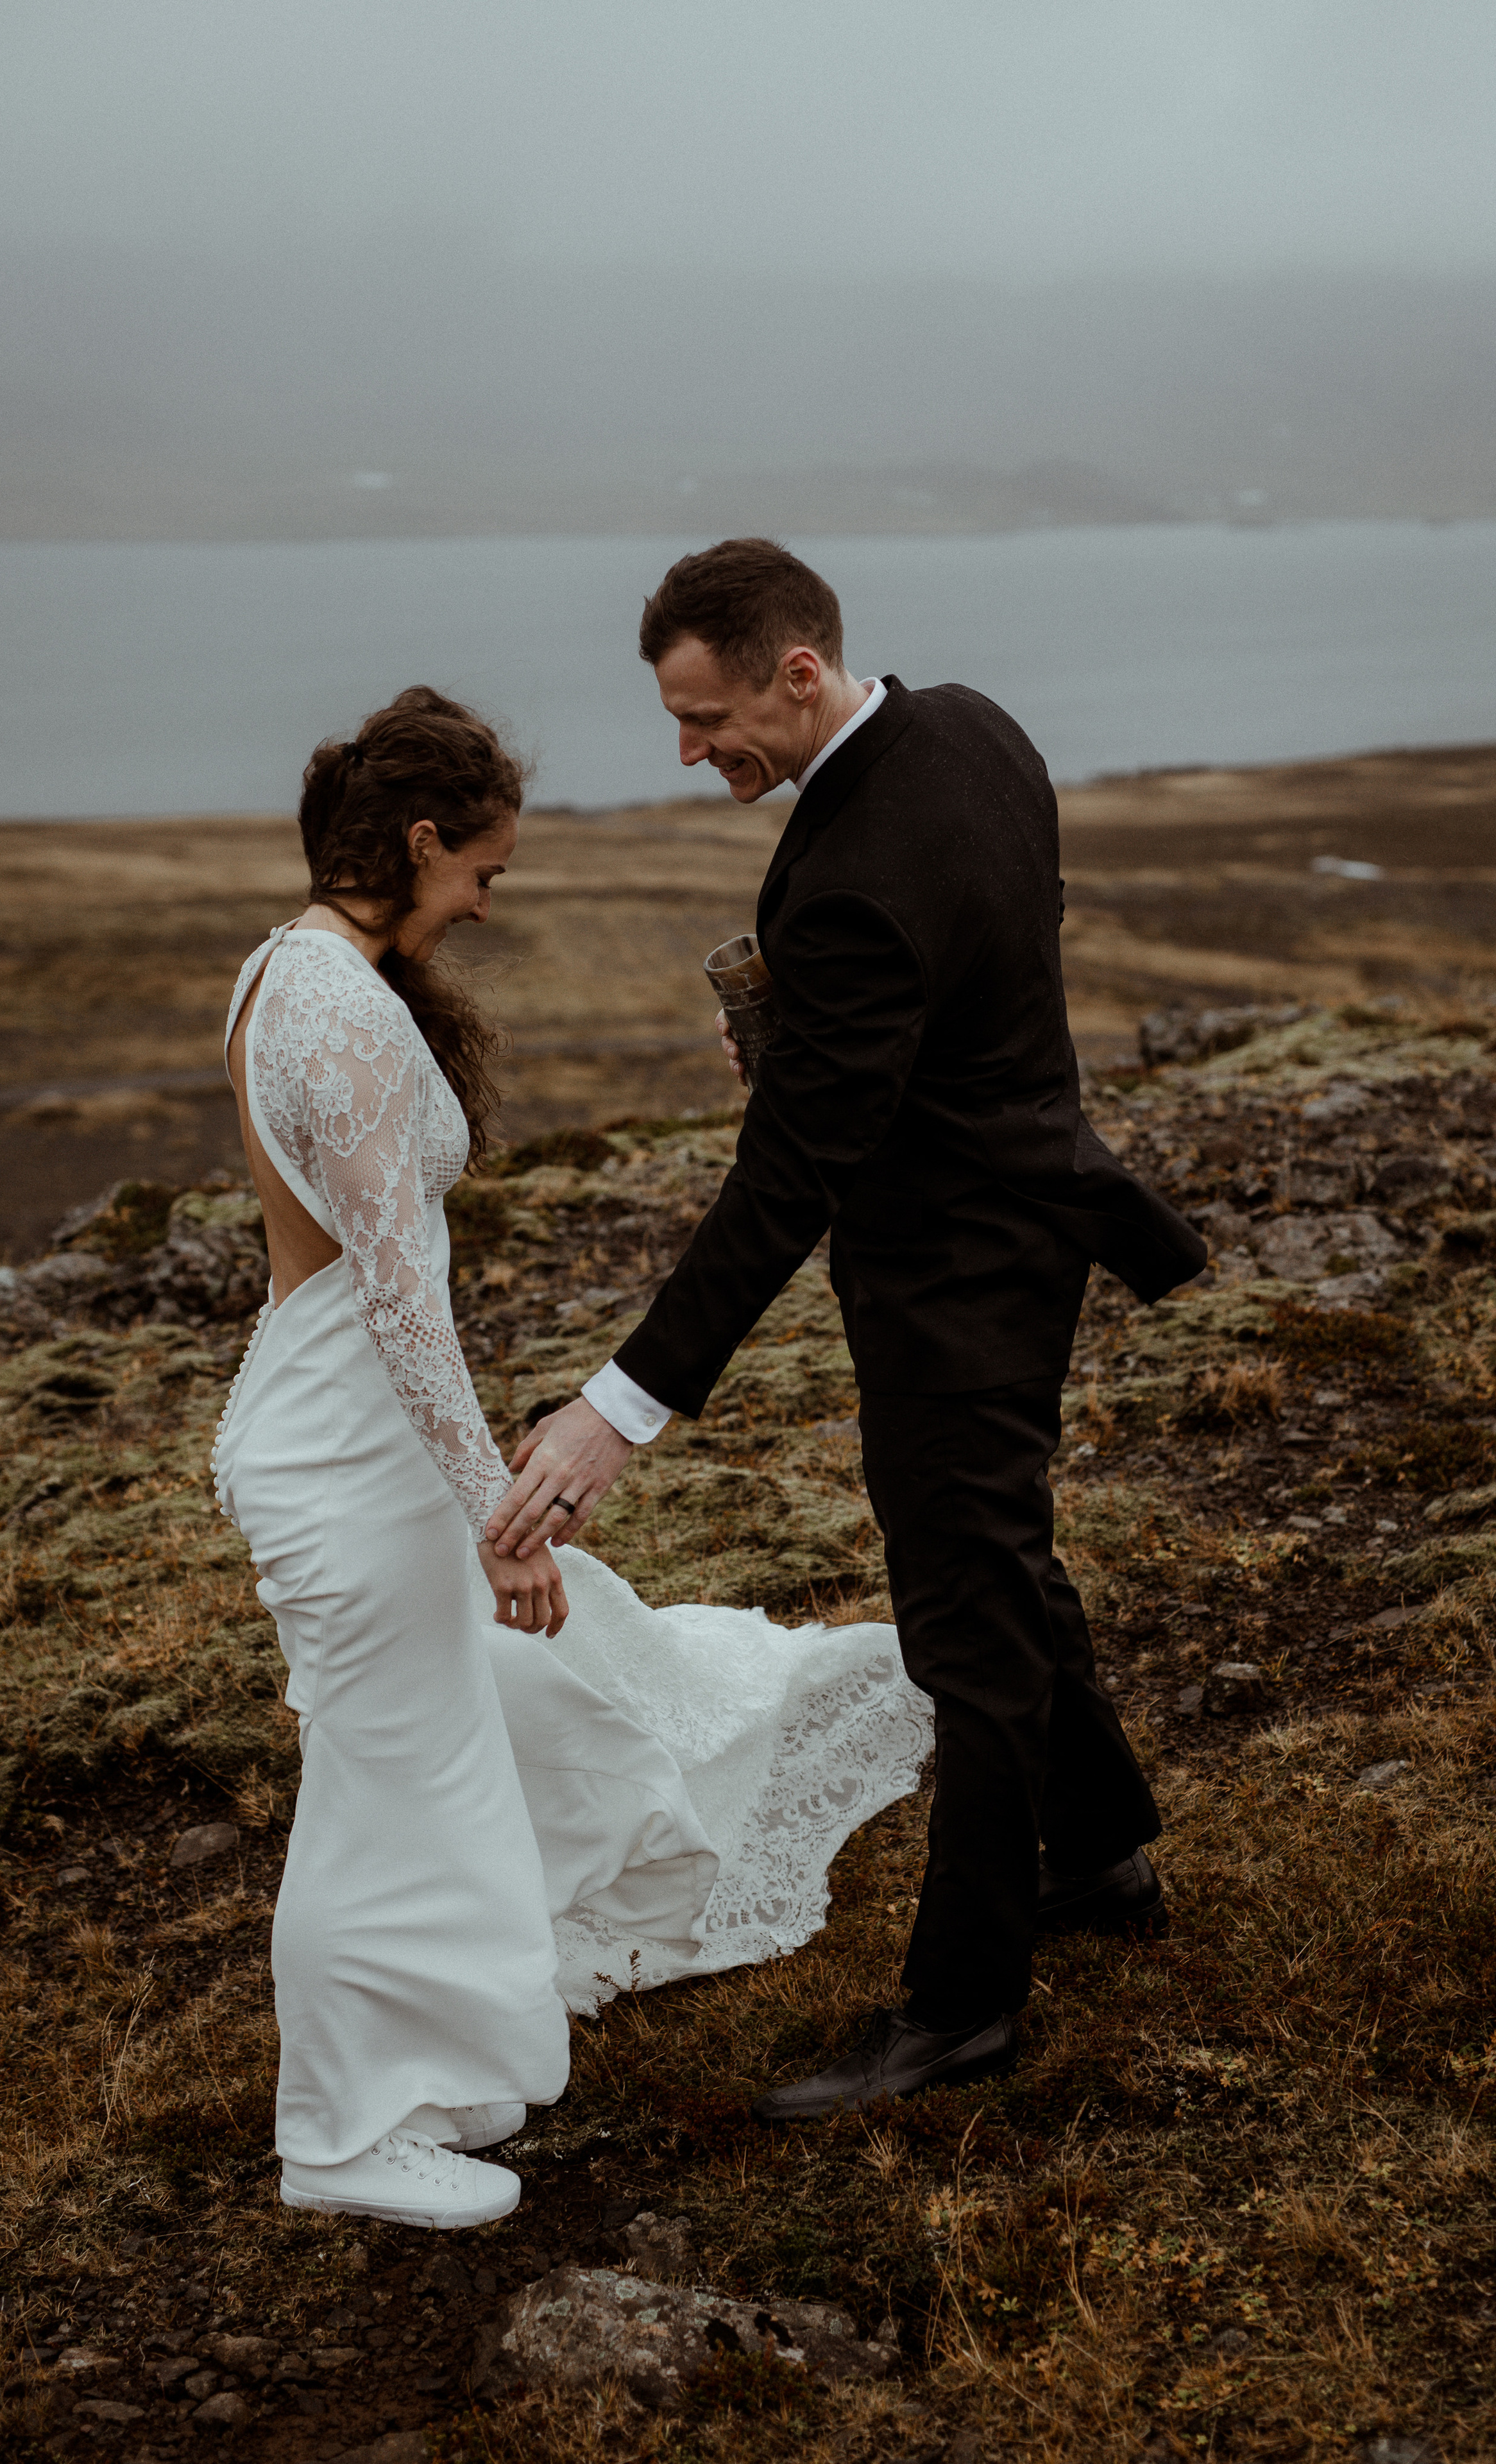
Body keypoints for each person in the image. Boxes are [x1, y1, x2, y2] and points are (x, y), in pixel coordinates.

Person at [487, 541, 1207, 2119]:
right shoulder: (974, 726)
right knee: (994, 1549)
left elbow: (786, 1179)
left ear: (796, 673)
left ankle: (961, 2009)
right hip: (1024, 1218)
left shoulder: (860, 877)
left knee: (966, 1622)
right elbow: (995, 955)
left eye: (705, 716)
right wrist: (840, 1050)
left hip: (953, 1274)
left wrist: (619, 1407)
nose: (688, 754)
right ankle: (1098, 1853)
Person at [210, 683, 933, 2230]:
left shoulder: (290, 970)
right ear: (412, 842)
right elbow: (401, 1306)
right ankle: (339, 2136)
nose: (483, 903)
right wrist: (502, 1515)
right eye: (480, 873)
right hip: (345, 1446)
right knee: (378, 1786)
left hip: (339, 1423)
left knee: (449, 1745)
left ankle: (432, 2062)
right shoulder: (335, 1009)